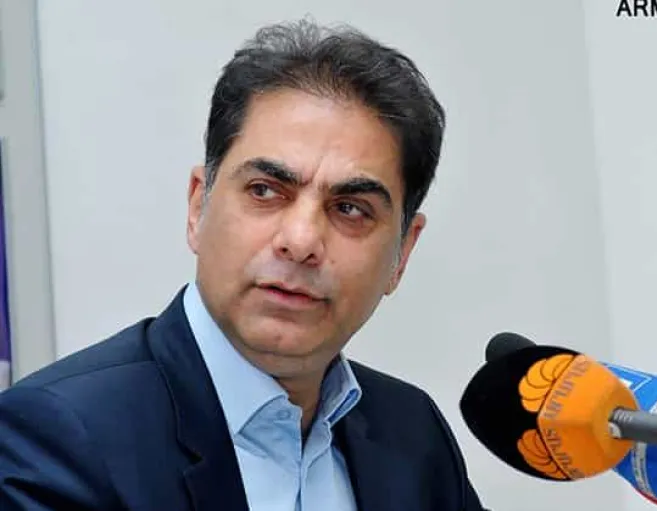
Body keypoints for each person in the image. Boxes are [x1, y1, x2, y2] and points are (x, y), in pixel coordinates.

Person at [0, 18, 487, 511]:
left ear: (402, 253)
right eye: (265, 191)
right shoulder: (58, 436)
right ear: (198, 207)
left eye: (350, 208)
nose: (300, 241)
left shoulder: (414, 437)